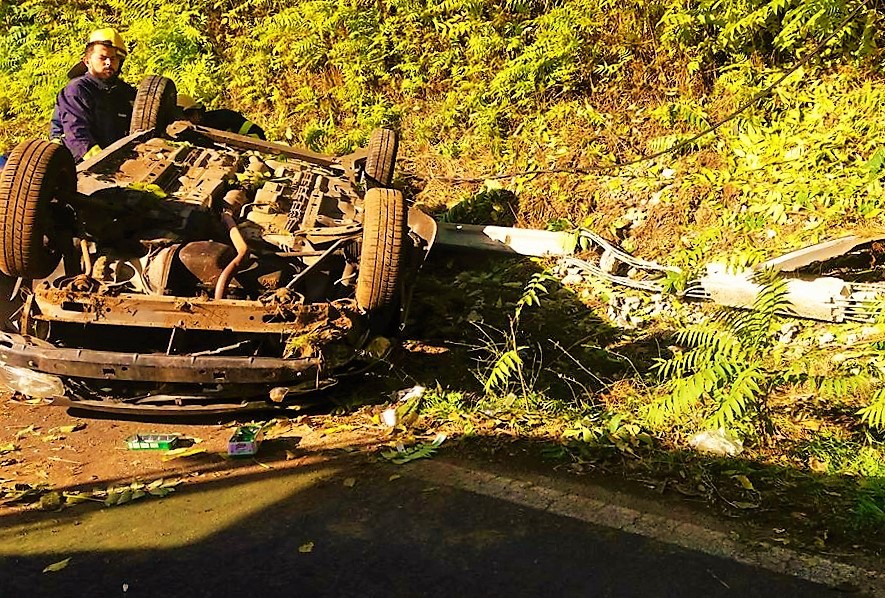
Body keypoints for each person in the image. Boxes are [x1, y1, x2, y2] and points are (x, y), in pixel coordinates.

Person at [50, 28, 136, 162]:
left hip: (116, 160)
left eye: (113, 59)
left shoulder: (124, 92)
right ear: (87, 61)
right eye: (103, 58)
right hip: (79, 164)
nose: (109, 63)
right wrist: (102, 161)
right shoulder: (77, 90)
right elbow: (76, 134)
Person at [177, 94, 266, 140]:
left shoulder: (224, 117)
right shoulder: (180, 136)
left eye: (191, 113)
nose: (190, 119)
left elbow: (258, 134)